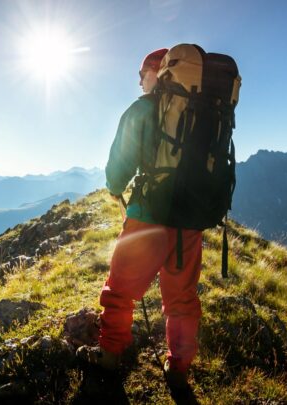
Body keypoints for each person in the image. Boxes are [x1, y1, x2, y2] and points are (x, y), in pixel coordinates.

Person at [77, 48, 203, 394]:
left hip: (148, 216)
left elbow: (119, 167)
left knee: (120, 291)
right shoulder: (202, 112)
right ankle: (177, 366)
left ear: (157, 73)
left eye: (141, 74)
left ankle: (109, 356)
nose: (138, 81)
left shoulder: (143, 109)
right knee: (182, 298)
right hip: (190, 222)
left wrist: (116, 188)